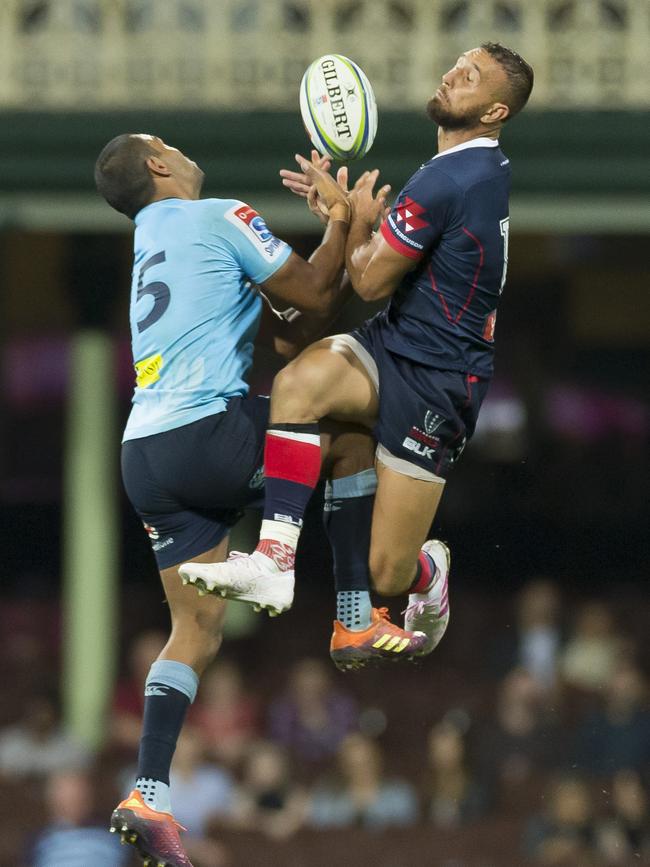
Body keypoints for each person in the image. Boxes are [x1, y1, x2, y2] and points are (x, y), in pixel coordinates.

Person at [94, 133, 422, 867]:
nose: (182, 147)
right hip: (203, 431)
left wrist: (336, 229)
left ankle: (148, 787)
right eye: (168, 143)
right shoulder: (217, 214)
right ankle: (351, 616)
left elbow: (295, 329)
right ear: (157, 165)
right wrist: (341, 222)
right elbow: (313, 294)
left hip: (144, 454)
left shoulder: (152, 237)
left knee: (196, 628)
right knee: (345, 436)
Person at [180, 42, 535, 658]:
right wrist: (349, 221)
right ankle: (273, 557)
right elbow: (385, 273)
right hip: (393, 344)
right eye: (456, 63)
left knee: (387, 574)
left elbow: (369, 281)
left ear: (496, 112)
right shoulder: (468, 169)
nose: (451, 75)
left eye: (470, 76)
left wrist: (356, 221)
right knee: (299, 385)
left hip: (441, 383)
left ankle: (429, 574)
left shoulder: (454, 177)